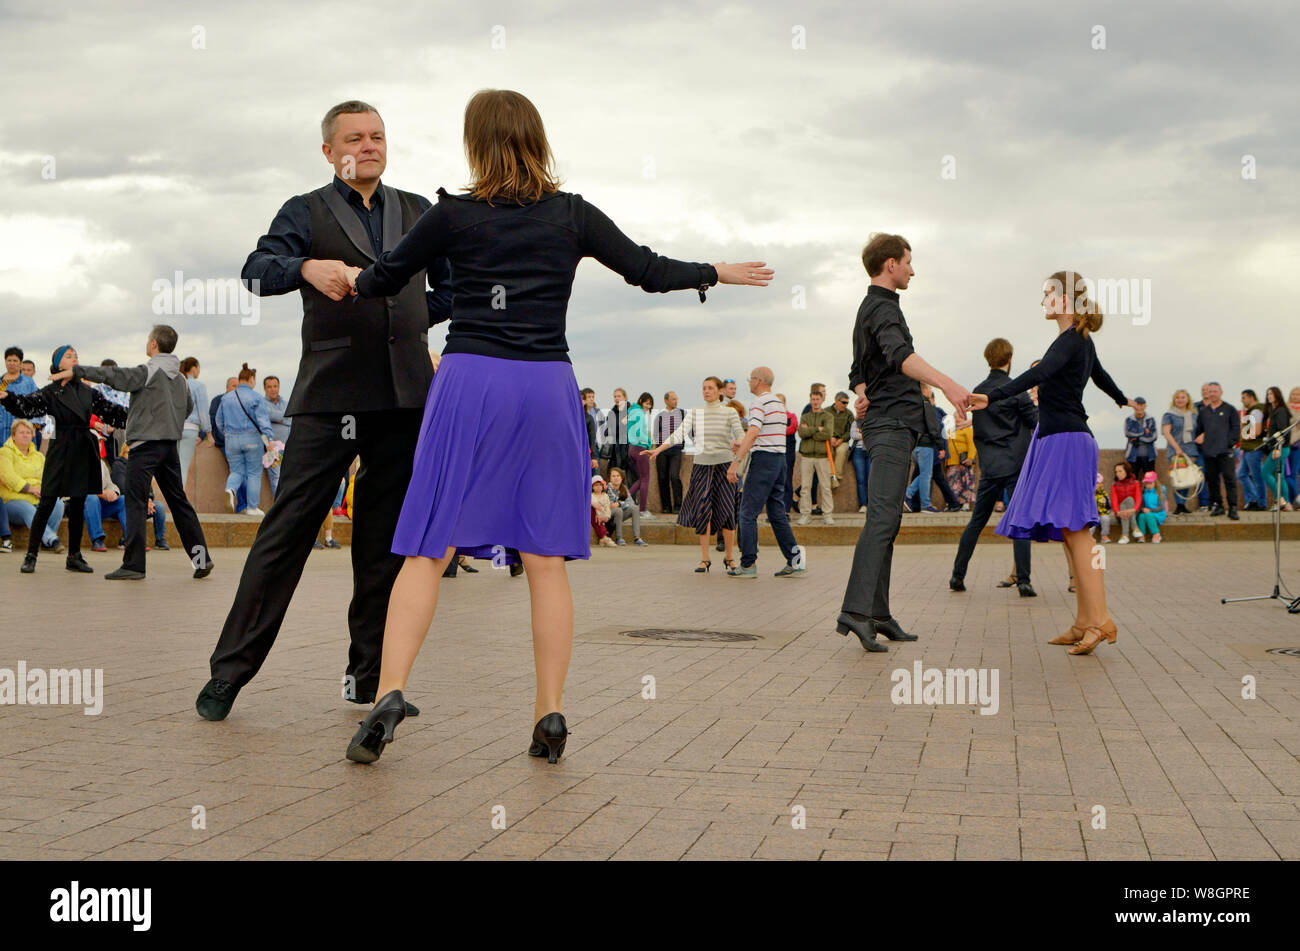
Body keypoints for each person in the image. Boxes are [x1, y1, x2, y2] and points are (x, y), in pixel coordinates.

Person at [339, 88, 771, 764]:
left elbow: (384, 279)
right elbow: (648, 270)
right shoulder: (570, 215)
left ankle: (390, 691)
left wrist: (348, 279)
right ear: (537, 138)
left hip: (470, 380)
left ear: (476, 142)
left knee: (429, 545)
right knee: (544, 559)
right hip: (545, 384)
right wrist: (717, 270)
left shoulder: (451, 213)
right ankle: (550, 712)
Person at [197, 99, 455, 723]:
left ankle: (367, 679)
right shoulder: (304, 210)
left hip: (404, 400)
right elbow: (256, 273)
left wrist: (415, 317)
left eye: (378, 136)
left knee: (383, 546)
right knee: (284, 536)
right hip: (329, 396)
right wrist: (305, 267)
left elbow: (449, 288)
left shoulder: (420, 210)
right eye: (355, 138)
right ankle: (228, 674)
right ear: (329, 150)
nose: (369, 146)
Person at [970, 270, 1137, 656]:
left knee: (1077, 531)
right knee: (1069, 530)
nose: (1043, 300)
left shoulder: (1070, 341)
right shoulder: (1078, 341)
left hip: (1066, 439)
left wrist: (993, 396)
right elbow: (1102, 377)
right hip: (1059, 437)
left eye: (1048, 293)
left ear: (1066, 298)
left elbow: (1042, 372)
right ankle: (1084, 622)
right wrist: (1121, 399)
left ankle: (1101, 620)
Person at [838, 235, 972, 652]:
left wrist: (862, 392)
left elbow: (858, 370)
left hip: (889, 422)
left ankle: (877, 613)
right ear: (891, 263)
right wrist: (948, 384)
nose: (913, 271)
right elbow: (899, 355)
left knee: (888, 521)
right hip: (892, 426)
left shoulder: (871, 307)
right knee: (881, 519)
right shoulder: (881, 307)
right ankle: (856, 612)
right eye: (909, 263)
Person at [61, 326, 211, 580]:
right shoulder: (181, 378)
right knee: (180, 503)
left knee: (135, 502)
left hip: (144, 446)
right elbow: (187, 407)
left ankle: (134, 565)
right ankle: (201, 560)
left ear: (153, 344)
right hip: (169, 447)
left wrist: (77, 371)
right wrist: (168, 423)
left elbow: (112, 374)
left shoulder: (148, 371)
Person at [1, 346, 128, 574]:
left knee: (79, 502)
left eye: (76, 356)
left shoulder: (88, 391)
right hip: (60, 449)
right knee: (48, 501)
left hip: (83, 447)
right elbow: (28, 406)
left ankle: (74, 556)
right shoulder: (50, 391)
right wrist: (7, 397)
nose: (75, 359)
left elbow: (113, 412)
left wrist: (141, 412)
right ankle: (31, 555)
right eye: (69, 356)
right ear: (59, 364)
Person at [949, 337, 1036, 596]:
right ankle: (1024, 581)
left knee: (976, 522)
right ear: (1009, 360)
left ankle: (957, 575)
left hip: (988, 466)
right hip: (1014, 466)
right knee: (1020, 522)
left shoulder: (979, 391)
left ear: (988, 359)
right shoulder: (1016, 390)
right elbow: (1034, 421)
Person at [648, 376, 745, 571]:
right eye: (704, 388)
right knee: (703, 511)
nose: (706, 391)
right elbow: (679, 434)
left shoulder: (729, 412)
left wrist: (737, 449)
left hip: (724, 466)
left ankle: (729, 557)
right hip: (701, 466)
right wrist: (659, 449)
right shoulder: (695, 412)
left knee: (727, 512)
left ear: (720, 391)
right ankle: (705, 558)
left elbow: (741, 437)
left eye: (710, 388)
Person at [215, 364, 274, 518]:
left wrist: (228, 434)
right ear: (251, 379)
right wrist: (269, 440)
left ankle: (230, 490)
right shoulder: (256, 397)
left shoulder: (226, 398)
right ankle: (252, 507)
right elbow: (263, 421)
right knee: (254, 473)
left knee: (236, 471)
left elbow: (218, 421)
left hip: (231, 440)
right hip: (252, 439)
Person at [1, 419, 67, 555]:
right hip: (12, 502)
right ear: (13, 435)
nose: (25, 435)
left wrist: (44, 489)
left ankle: (46, 541)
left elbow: (48, 476)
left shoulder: (38, 456)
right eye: (21, 432)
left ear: (32, 435)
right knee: (28, 509)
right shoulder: (4, 453)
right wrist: (31, 488)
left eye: (28, 432)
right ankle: (52, 539)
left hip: (37, 498)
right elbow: (8, 478)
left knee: (58, 504)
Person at [1194, 382, 1240, 520]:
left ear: (1221, 392)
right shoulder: (1203, 412)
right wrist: (1201, 440)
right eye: (1210, 391)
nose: (1212, 393)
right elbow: (1199, 431)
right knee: (1212, 480)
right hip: (1209, 452)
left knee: (1229, 479)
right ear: (1207, 393)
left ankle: (1232, 507)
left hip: (1225, 452)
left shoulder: (1230, 409)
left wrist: (1229, 444)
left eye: (1215, 391)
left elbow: (1236, 428)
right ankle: (1218, 505)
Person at [797, 388, 836, 525]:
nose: (815, 402)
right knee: (805, 487)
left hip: (822, 456)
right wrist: (816, 429)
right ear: (810, 400)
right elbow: (801, 433)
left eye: (817, 399)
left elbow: (827, 434)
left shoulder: (828, 416)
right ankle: (805, 514)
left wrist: (810, 430)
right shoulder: (805, 416)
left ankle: (828, 514)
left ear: (822, 400)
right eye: (813, 399)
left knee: (825, 486)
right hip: (806, 456)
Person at [1161, 388, 1203, 514]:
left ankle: (1183, 504)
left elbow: (1199, 430)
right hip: (1176, 451)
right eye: (1177, 397)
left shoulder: (1194, 415)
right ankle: (1179, 505)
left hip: (1191, 449)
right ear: (1174, 400)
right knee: (1178, 477)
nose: (1180, 400)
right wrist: (1176, 447)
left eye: (1183, 397)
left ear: (1188, 399)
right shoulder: (1169, 415)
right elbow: (1166, 433)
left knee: (1188, 477)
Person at [177, 357, 210, 492]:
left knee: (175, 467)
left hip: (174, 427)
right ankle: (180, 502)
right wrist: (208, 432)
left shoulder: (176, 382)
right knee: (183, 467)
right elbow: (203, 412)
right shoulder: (198, 386)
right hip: (190, 428)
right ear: (194, 368)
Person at [1260, 386, 1293, 511]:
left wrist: (1278, 448)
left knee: (1265, 472)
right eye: (1268, 394)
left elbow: (1282, 432)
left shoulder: (1280, 411)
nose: (1269, 396)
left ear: (1277, 395)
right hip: (1280, 448)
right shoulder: (1274, 411)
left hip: (1280, 448)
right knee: (1280, 476)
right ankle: (1287, 504)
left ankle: (1281, 500)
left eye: (1272, 394)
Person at [652, 390, 685, 514]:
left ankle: (678, 505)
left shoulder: (682, 413)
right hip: (661, 450)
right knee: (662, 477)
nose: (676, 401)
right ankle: (666, 506)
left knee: (674, 476)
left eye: (676, 399)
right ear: (666, 400)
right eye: (673, 399)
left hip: (676, 449)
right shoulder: (659, 416)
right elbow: (656, 433)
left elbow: (689, 429)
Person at [1238, 389, 1268, 511]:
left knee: (1257, 477)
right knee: (1241, 474)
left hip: (1254, 449)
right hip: (1248, 449)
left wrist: (1244, 437)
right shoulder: (1252, 411)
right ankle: (1253, 499)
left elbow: (1257, 431)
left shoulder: (1256, 411)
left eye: (1244, 397)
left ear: (1251, 397)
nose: (1242, 400)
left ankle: (1261, 502)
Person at [626, 392, 655, 517]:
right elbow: (638, 431)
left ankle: (626, 498)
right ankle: (642, 510)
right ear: (641, 401)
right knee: (646, 479)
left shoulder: (632, 412)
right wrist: (648, 443)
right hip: (640, 448)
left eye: (650, 404)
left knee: (642, 478)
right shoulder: (639, 413)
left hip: (632, 448)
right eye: (646, 403)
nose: (648, 406)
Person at [263, 375, 291, 498]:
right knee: (276, 478)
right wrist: (284, 418)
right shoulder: (261, 404)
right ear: (265, 389)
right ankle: (278, 507)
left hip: (289, 447)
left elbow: (292, 419)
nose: (273, 389)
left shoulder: (286, 403)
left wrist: (276, 419)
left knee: (290, 479)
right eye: (269, 387)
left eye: (275, 386)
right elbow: (264, 420)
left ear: (279, 387)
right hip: (271, 448)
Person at [605, 467, 648, 546]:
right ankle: (619, 538)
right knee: (618, 510)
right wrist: (620, 504)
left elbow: (630, 502)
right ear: (610, 478)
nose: (616, 478)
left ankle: (637, 538)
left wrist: (620, 504)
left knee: (635, 508)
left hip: (619, 515)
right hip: (608, 516)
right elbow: (608, 504)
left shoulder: (624, 488)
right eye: (613, 476)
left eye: (618, 476)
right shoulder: (607, 488)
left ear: (622, 478)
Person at [944, 415, 977, 510]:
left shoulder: (967, 430)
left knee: (965, 482)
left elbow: (972, 445)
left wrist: (970, 458)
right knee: (953, 483)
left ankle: (965, 504)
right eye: (955, 417)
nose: (956, 419)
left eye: (959, 417)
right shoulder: (950, 430)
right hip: (952, 462)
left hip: (964, 461)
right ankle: (953, 503)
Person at [1123, 397, 1157, 478]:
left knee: (1150, 480)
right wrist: (1144, 431)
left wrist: (1137, 437)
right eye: (1137, 405)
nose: (1139, 407)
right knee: (1132, 479)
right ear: (1133, 406)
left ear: (1145, 406)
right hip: (1133, 455)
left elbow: (1153, 436)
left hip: (1149, 455)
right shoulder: (1129, 420)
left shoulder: (1151, 419)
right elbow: (1128, 433)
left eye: (1142, 405)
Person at [1110, 461, 1141, 543]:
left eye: (1120, 471)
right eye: (1116, 472)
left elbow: (1138, 498)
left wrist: (1134, 509)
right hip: (1120, 513)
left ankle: (1125, 535)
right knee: (1123, 505)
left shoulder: (1135, 483)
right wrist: (1118, 512)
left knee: (1130, 499)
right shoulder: (1114, 485)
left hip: (1134, 512)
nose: (1118, 474)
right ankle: (1135, 528)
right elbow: (1114, 500)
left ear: (1126, 471)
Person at [1136, 470, 1168, 543]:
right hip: (1147, 512)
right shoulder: (1144, 493)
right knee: (1141, 516)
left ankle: (1156, 534)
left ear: (1155, 483)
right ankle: (1142, 535)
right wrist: (1142, 509)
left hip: (1158, 514)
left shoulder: (1159, 493)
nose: (1148, 485)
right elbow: (1142, 505)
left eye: (1150, 483)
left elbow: (1162, 507)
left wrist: (1150, 510)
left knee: (1149, 515)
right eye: (1147, 483)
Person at [590, 474, 616, 547]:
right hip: (594, 516)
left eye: (600, 485)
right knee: (596, 519)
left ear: (602, 486)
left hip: (603, 516)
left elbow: (607, 508)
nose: (598, 487)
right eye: (596, 485)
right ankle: (604, 537)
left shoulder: (605, 496)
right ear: (592, 487)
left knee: (606, 522)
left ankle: (603, 538)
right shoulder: (590, 496)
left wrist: (606, 517)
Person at [1093, 472, 1112, 543]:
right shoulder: (1089, 494)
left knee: (1106, 519)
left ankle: (1104, 536)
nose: (1096, 485)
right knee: (1092, 522)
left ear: (1101, 484)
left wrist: (1107, 511)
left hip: (1102, 513)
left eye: (1098, 483)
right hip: (1093, 514)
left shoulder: (1104, 494)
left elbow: (1108, 505)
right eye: (1094, 483)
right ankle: (1089, 537)